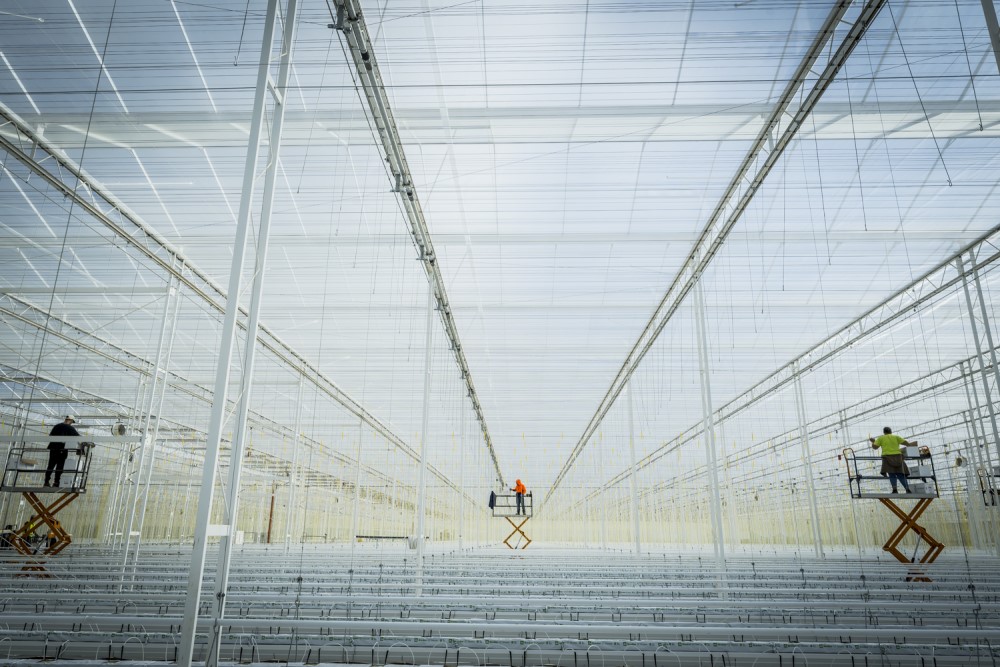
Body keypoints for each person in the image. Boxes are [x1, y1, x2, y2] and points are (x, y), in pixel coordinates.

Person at [870, 427, 912, 494]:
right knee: (900, 474)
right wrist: (911, 446)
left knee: (891, 474)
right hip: (898, 457)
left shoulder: (881, 438)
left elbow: (875, 447)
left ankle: (895, 490)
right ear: (891, 431)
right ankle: (907, 489)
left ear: (884, 432)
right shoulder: (896, 437)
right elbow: (906, 443)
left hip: (887, 458)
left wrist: (873, 442)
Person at [45, 416, 79, 488]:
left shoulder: (57, 426)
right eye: (72, 422)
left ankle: (46, 482)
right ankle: (56, 483)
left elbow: (51, 435)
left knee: (51, 465)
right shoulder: (70, 428)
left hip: (53, 448)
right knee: (60, 466)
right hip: (62, 449)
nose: (71, 423)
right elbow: (78, 437)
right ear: (70, 420)